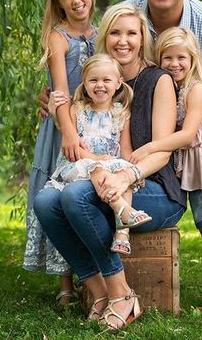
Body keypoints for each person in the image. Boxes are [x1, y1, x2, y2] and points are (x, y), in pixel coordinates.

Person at [37, 0, 202, 304]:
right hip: (124, 164)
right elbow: (78, 61)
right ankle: (97, 290)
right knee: (49, 199)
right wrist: (53, 95)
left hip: (187, 145)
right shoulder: (120, 35)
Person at [33, 4, 185, 330]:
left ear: (143, 38)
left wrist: (126, 174)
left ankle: (122, 293)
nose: (123, 40)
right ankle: (99, 291)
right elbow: (65, 96)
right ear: (105, 37)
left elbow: (162, 150)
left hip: (154, 188)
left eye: (132, 33)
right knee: (45, 202)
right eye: (115, 33)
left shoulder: (158, 81)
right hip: (106, 180)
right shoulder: (99, 80)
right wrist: (47, 99)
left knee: (76, 196)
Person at [130, 27, 202, 315]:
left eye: (181, 57)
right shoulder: (174, 89)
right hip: (195, 177)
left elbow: (186, 136)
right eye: (167, 58)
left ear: (193, 58)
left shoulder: (197, 89)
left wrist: (148, 148)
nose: (175, 64)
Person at [23, 0, 97, 306]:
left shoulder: (102, 34)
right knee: (58, 191)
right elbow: (60, 93)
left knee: (84, 196)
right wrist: (67, 131)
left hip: (95, 127)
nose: (76, 0)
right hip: (62, 128)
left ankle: (91, 273)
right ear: (59, 2)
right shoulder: (58, 37)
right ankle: (65, 284)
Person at [45, 54, 152, 255]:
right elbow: (74, 150)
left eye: (106, 80)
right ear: (84, 84)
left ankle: (123, 234)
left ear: (118, 83)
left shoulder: (121, 113)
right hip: (77, 165)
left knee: (123, 172)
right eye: (93, 80)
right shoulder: (77, 109)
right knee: (97, 169)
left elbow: (125, 149)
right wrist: (97, 159)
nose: (100, 85)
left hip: (109, 168)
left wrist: (132, 168)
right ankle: (123, 210)